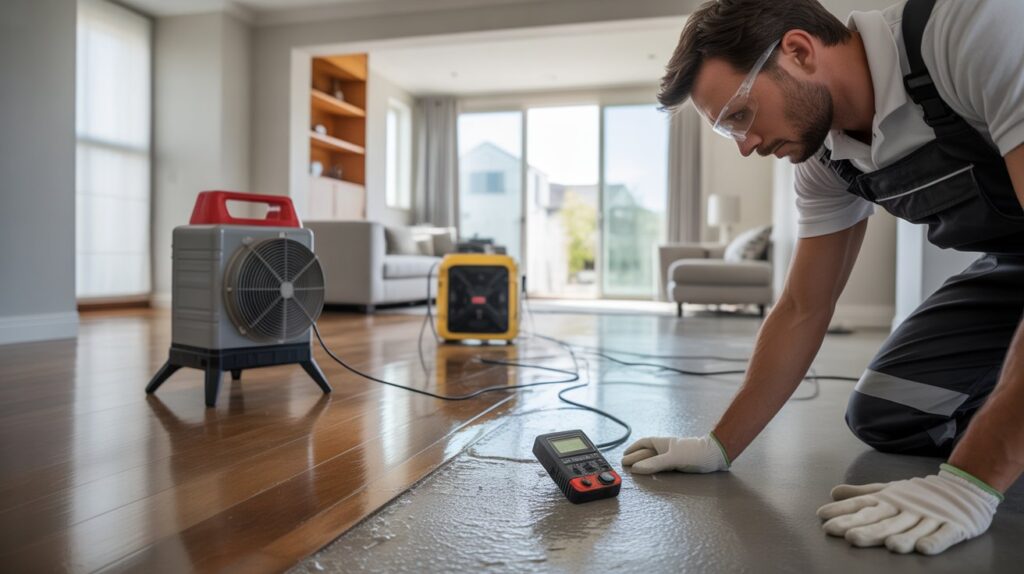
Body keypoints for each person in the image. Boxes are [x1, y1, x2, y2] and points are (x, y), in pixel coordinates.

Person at [622, 0, 1024, 556]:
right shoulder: (827, 159)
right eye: (726, 131)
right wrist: (718, 445)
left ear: (798, 51)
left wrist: (971, 481)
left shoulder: (969, 29)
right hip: (1012, 267)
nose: (745, 144)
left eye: (739, 115)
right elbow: (802, 308)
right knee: (891, 410)